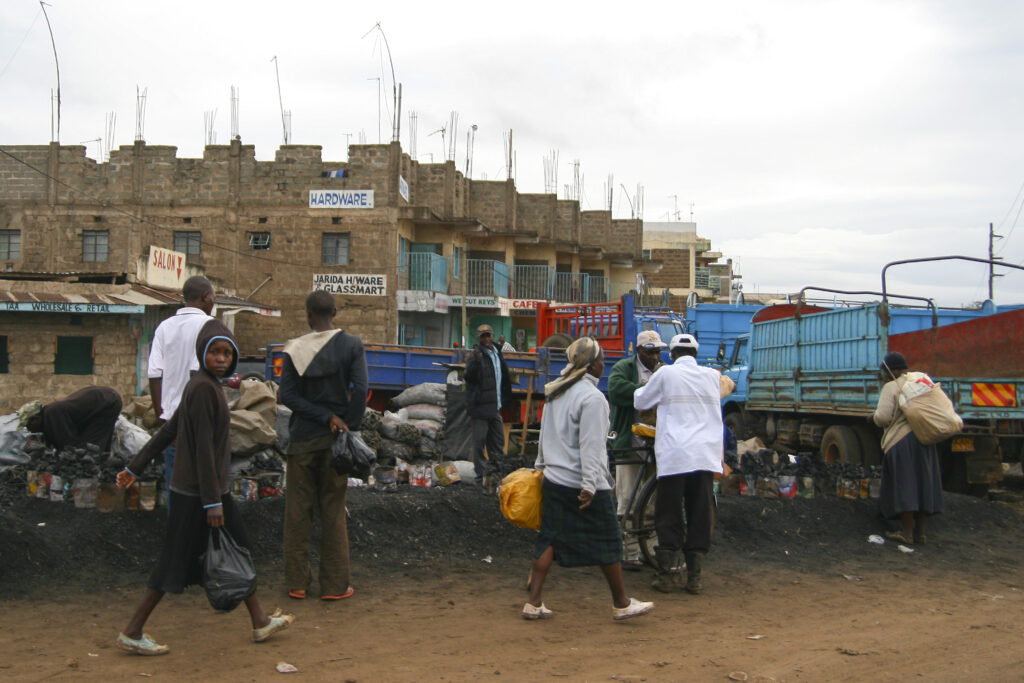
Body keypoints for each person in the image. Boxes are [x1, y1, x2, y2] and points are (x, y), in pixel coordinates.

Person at [115, 319, 293, 655]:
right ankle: (133, 630)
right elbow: (202, 451)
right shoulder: (202, 390)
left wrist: (134, 467)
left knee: (237, 546)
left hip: (204, 490)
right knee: (173, 564)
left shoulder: (203, 385)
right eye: (215, 352)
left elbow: (169, 431)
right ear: (202, 353)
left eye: (227, 353)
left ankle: (259, 620)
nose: (222, 358)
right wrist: (213, 502)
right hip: (199, 494)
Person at [525, 337, 654, 621]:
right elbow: (592, 447)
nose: (603, 363)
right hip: (583, 483)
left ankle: (533, 602)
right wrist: (588, 485)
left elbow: (545, 436)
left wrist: (540, 468)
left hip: (554, 479)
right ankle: (621, 603)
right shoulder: (593, 398)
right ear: (590, 365)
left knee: (548, 538)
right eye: (600, 359)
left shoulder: (556, 392)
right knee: (609, 539)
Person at [279, 290, 368, 601]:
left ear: (308, 315)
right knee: (332, 511)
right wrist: (346, 425)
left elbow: (286, 396)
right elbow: (361, 389)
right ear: (335, 313)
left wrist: (320, 415)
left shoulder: (293, 349)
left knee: (297, 514)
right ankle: (334, 585)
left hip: (301, 440)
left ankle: (297, 583)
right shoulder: (351, 345)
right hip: (335, 443)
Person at [634, 333, 723, 594]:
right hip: (705, 456)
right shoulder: (712, 376)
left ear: (672, 355)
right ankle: (694, 578)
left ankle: (666, 577)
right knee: (699, 513)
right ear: (695, 354)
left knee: (669, 513)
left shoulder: (666, 374)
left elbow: (641, 400)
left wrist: (644, 385)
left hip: (676, 455)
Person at [147, 276, 215, 491]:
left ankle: (175, 523)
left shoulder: (164, 327)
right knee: (205, 488)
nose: (214, 302)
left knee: (175, 487)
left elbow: (154, 373)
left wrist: (162, 417)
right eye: (213, 297)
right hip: (200, 423)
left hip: (171, 425)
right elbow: (199, 375)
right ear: (206, 297)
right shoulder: (209, 326)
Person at [607, 330, 666, 569]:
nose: (655, 356)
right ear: (640, 351)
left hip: (655, 445)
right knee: (627, 498)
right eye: (651, 351)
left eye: (658, 351)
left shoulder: (663, 371)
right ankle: (628, 553)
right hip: (629, 443)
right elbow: (617, 391)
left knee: (652, 501)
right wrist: (645, 391)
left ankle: (650, 550)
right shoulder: (624, 368)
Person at [873, 351, 943, 545]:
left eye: (885, 372)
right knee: (923, 485)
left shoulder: (891, 387)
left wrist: (872, 417)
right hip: (924, 439)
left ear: (893, 370)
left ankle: (906, 533)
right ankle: (921, 533)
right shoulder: (920, 381)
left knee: (906, 486)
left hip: (901, 443)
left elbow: (883, 417)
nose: (884, 376)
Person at [463, 324, 513, 489]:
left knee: (498, 445)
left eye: (488, 336)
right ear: (479, 338)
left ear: (492, 336)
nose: (486, 339)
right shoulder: (476, 356)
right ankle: (480, 480)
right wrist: (475, 364)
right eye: (483, 336)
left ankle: (496, 478)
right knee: (479, 444)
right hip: (480, 409)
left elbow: (503, 378)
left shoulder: (497, 354)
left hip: (495, 408)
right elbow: (469, 377)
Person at [19, 386, 122, 452]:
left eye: (28, 425)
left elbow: (68, 443)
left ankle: (94, 480)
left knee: (91, 449)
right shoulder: (50, 414)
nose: (28, 430)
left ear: (36, 419)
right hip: (104, 400)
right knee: (91, 448)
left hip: (106, 403)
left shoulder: (52, 414)